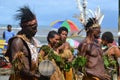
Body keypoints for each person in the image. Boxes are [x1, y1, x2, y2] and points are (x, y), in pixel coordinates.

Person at [5, 6, 41, 80]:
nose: (36, 30)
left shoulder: (32, 40)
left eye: (36, 27)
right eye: (33, 28)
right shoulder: (18, 41)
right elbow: (17, 67)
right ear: (23, 26)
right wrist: (34, 75)